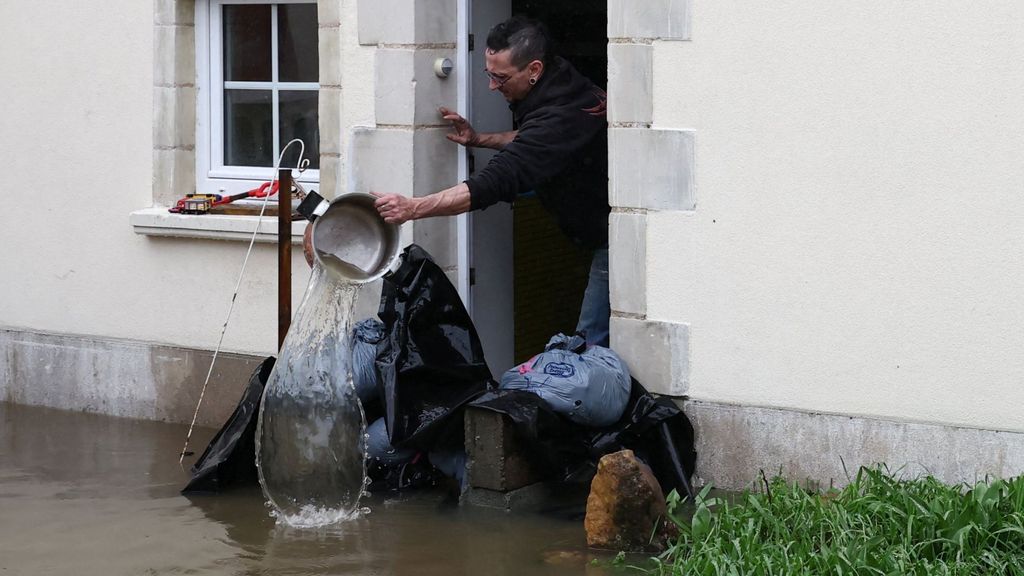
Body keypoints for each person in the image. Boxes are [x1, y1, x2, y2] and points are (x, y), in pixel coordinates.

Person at [378, 16, 611, 346]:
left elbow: (495, 180)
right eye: (489, 74)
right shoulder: (560, 82)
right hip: (591, 216)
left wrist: (414, 207)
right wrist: (479, 139)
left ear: (533, 69)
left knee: (588, 347)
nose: (491, 86)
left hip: (612, 237)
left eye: (500, 78)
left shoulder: (561, 114)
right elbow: (532, 137)